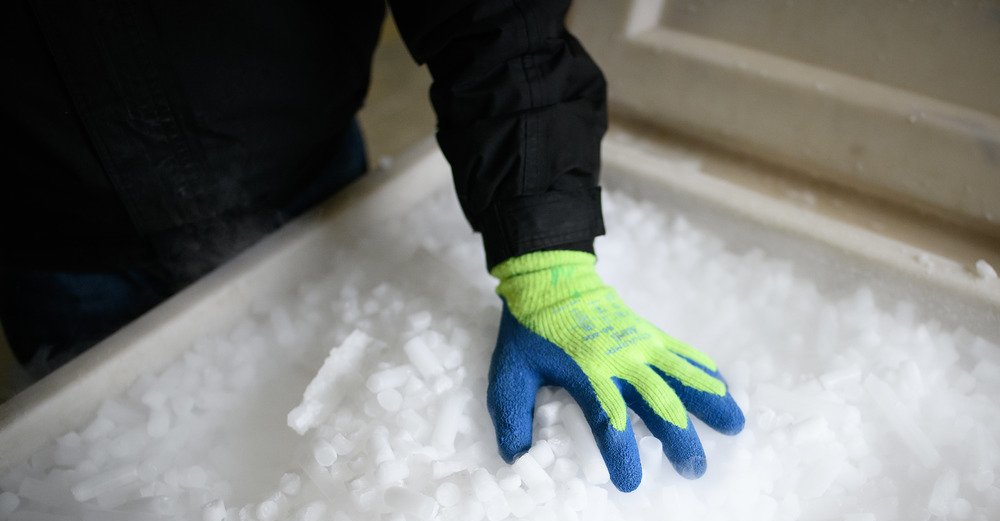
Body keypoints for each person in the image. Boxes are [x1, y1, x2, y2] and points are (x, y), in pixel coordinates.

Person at [1, 0, 743, 492]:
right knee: (100, 473)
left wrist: (549, 260)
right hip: (51, 237)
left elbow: (493, 12)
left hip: (306, 176)